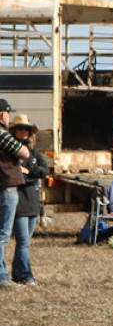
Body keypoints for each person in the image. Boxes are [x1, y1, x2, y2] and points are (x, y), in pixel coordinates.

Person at [10, 114, 47, 286]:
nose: (24, 131)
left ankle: (17, 273)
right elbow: (15, 174)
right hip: (18, 201)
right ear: (14, 130)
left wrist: (30, 172)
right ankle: (27, 275)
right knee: (23, 241)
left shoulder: (33, 150)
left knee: (25, 242)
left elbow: (43, 169)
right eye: (20, 128)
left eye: (26, 128)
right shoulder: (9, 150)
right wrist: (32, 173)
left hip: (33, 199)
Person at [0, 99, 29, 290]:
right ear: (3, 114)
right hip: (6, 186)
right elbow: (24, 152)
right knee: (3, 234)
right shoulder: (2, 134)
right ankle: (2, 276)